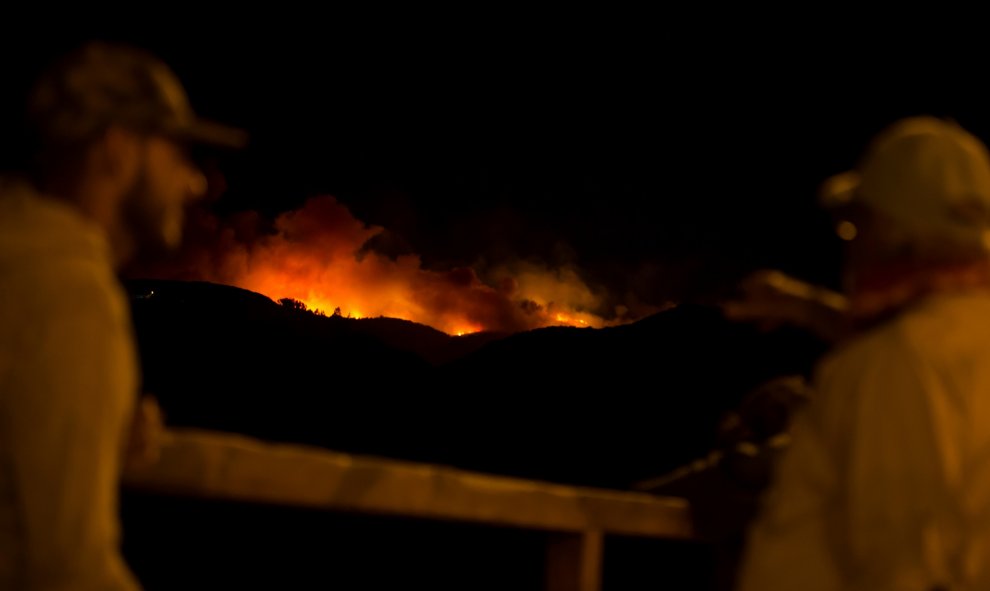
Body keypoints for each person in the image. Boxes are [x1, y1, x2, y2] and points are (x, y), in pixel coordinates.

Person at [0, 41, 245, 589]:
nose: (195, 181)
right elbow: (67, 567)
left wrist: (99, 433)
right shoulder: (62, 290)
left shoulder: (17, 254)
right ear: (117, 148)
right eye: (177, 154)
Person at [733, 116, 990, 590]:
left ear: (894, 233)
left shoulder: (895, 366)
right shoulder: (965, 334)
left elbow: (903, 564)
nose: (850, 247)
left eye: (857, 225)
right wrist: (807, 308)